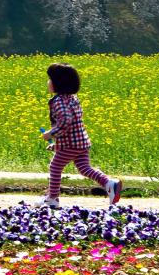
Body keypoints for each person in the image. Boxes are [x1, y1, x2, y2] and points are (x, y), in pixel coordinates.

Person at [39, 62, 122, 207]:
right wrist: (56, 145)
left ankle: (52, 198)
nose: (48, 82)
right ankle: (109, 183)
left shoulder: (58, 101)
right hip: (81, 142)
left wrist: (51, 134)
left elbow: (65, 121)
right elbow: (72, 125)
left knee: (55, 167)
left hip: (70, 144)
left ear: (58, 83)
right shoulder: (73, 98)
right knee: (85, 168)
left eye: (50, 79)